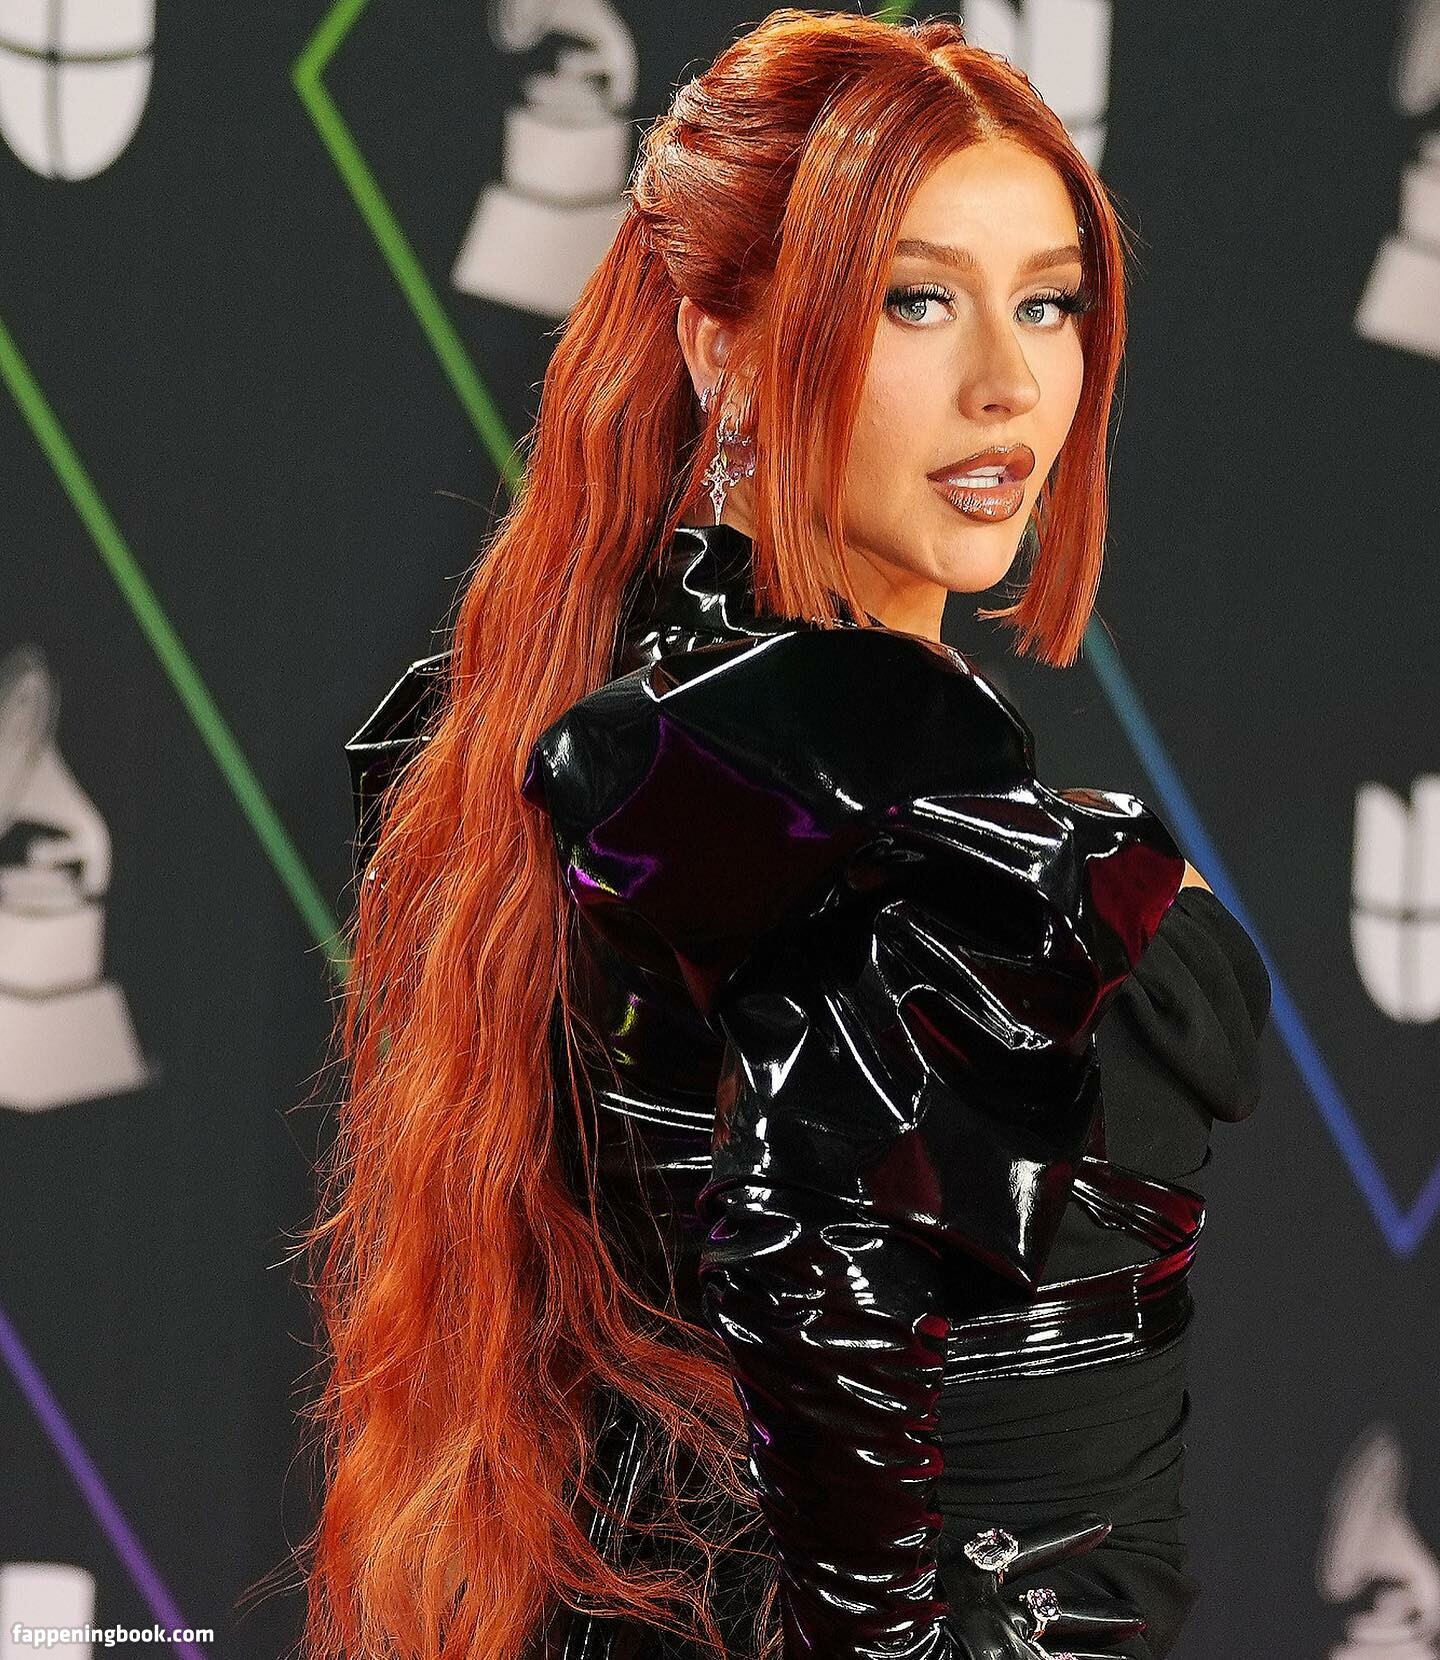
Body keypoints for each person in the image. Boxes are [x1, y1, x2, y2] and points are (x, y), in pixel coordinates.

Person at [300, 11, 1272, 1660]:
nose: (1009, 384)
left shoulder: (546, 727)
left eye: (1047, 302)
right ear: (724, 345)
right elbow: (954, 1548)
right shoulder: (871, 807)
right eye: (916, 300)